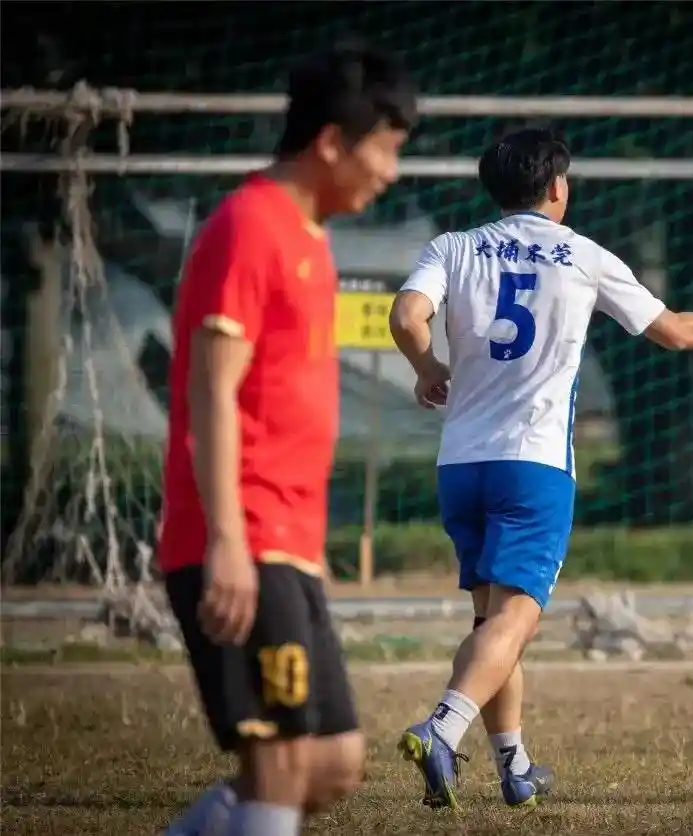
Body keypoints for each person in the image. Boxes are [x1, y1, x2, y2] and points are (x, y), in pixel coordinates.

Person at [387, 127, 693, 811]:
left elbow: (405, 315)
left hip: (462, 464)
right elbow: (678, 333)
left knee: (492, 624)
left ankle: (514, 766)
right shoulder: (582, 255)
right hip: (533, 465)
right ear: (557, 187)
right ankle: (441, 730)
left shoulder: (452, 247)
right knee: (515, 621)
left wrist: (427, 368)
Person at [157, 42, 417, 836]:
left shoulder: (309, 237)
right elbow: (211, 390)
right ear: (332, 143)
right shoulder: (251, 225)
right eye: (385, 150)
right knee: (280, 760)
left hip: (287, 541)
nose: (391, 172)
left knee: (332, 760)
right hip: (244, 531)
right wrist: (228, 542)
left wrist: (301, 548)